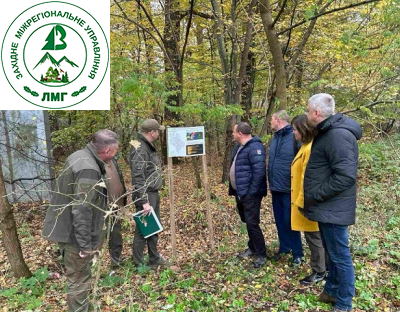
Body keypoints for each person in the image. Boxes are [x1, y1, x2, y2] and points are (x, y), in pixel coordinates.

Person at [42, 130, 122, 312]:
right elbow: (82, 210)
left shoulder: (80, 156)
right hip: (74, 237)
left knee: (80, 280)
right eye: (116, 150)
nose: (115, 154)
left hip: (70, 231)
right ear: (108, 150)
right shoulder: (89, 169)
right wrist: (85, 246)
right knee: (78, 281)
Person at [305, 93, 362, 312]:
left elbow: (346, 176)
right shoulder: (327, 132)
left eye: (308, 110)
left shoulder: (338, 135)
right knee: (332, 252)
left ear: (316, 113)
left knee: (340, 255)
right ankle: (331, 291)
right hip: (327, 207)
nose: (306, 113)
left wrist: (318, 193)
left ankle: (344, 303)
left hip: (333, 206)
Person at [290, 115, 327, 285]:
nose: (293, 132)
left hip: (307, 202)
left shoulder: (310, 148)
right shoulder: (305, 146)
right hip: (305, 200)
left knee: (314, 237)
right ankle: (322, 268)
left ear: (303, 130)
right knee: (314, 236)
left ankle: (319, 270)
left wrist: (303, 203)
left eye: (295, 129)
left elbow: (308, 178)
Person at [228, 122, 268, 268]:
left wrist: (250, 193)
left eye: (234, 132)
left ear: (239, 133)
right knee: (247, 221)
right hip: (241, 193)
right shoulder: (240, 147)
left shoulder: (255, 147)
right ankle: (252, 247)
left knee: (252, 223)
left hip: (251, 194)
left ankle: (261, 253)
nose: (232, 134)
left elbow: (259, 173)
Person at [130, 119, 168, 268]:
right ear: (152, 132)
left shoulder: (147, 146)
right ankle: (138, 263)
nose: (158, 133)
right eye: (158, 131)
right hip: (146, 194)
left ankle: (154, 258)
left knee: (153, 227)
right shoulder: (140, 149)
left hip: (152, 193)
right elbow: (138, 177)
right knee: (142, 229)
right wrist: (143, 200)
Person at [268, 110, 303, 266]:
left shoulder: (294, 136)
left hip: (290, 188)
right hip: (275, 187)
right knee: (279, 220)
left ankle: (297, 253)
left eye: (272, 119)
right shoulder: (275, 138)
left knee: (291, 221)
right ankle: (284, 248)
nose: (270, 122)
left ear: (279, 120)